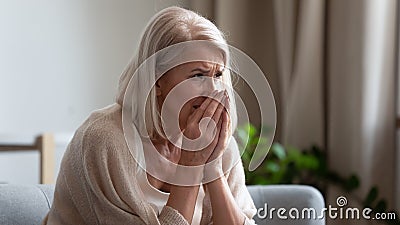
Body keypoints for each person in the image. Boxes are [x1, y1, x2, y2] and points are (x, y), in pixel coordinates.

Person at [42, 6, 256, 225]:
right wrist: (191, 165)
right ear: (157, 78)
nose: (214, 90)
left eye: (218, 75)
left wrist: (213, 168)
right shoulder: (104, 139)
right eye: (198, 75)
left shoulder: (216, 142)